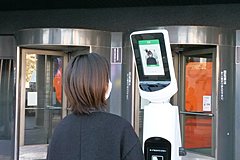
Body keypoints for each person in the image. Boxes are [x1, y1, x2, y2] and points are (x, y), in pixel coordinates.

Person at [47, 53, 144, 160]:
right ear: (101, 84)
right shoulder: (121, 129)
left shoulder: (60, 130)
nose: (109, 83)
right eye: (107, 78)